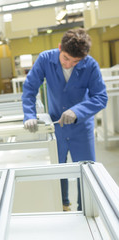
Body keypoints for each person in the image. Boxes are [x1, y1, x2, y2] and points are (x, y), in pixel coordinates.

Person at [22, 28, 108, 211]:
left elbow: (101, 97)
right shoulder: (45, 59)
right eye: (66, 59)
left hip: (81, 128)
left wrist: (77, 111)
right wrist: (29, 115)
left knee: (85, 172)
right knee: (57, 170)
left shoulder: (90, 65)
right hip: (56, 126)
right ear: (60, 48)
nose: (69, 65)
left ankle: (84, 210)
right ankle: (63, 205)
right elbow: (30, 88)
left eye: (76, 61)